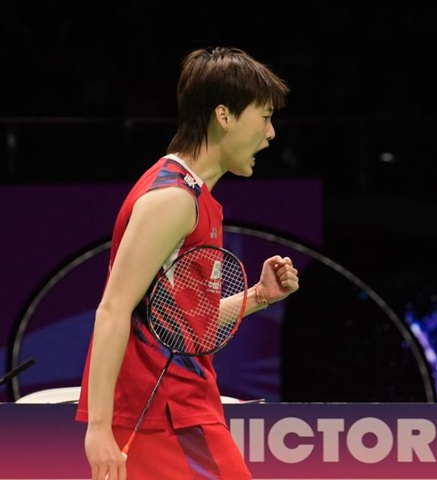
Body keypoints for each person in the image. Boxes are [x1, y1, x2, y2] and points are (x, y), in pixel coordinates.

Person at [75, 46, 298, 480]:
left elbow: (182, 327)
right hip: (163, 414)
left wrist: (257, 297)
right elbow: (113, 308)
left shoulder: (199, 201)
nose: (271, 133)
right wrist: (99, 430)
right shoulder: (172, 200)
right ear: (225, 115)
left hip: (179, 408)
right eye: (265, 116)